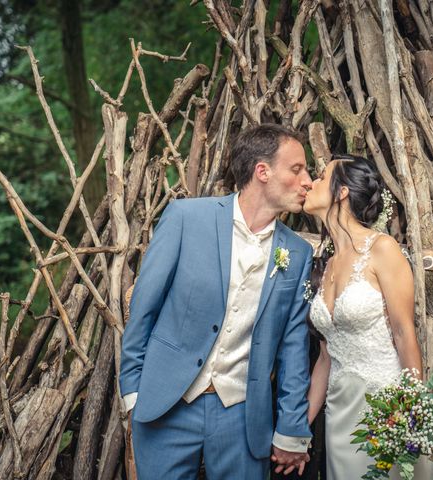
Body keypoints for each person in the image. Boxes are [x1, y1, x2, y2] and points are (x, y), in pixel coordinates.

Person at [119, 124, 315, 479]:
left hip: (242, 418)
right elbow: (143, 308)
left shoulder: (297, 253)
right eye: (297, 169)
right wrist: (132, 390)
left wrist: (291, 426)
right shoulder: (186, 218)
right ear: (262, 171)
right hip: (167, 406)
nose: (308, 181)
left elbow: (293, 348)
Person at [303, 153, 433, 479]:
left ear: (342, 192)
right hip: (339, 415)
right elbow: (325, 357)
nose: (310, 182)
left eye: (321, 177)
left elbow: (404, 334)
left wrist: (412, 413)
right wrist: (300, 425)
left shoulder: (383, 249)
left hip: (385, 408)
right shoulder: (325, 264)